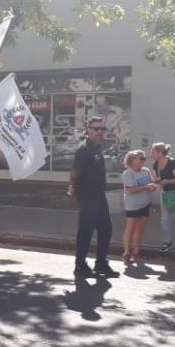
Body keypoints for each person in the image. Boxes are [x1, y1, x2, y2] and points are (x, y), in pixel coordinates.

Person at [67, 116, 120, 278]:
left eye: (102, 129)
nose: (99, 132)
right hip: (87, 196)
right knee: (86, 231)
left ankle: (101, 264)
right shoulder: (84, 149)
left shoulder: (98, 148)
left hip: (99, 196)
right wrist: (72, 188)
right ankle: (80, 265)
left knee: (106, 229)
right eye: (96, 129)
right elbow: (75, 171)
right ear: (88, 130)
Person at [121, 150, 155, 263]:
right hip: (133, 205)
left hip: (145, 204)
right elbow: (130, 190)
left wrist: (153, 187)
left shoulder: (146, 171)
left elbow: (152, 184)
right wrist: (146, 187)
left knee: (140, 229)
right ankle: (126, 252)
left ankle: (136, 252)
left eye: (144, 158)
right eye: (140, 158)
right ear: (132, 160)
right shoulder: (128, 173)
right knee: (130, 228)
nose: (143, 161)